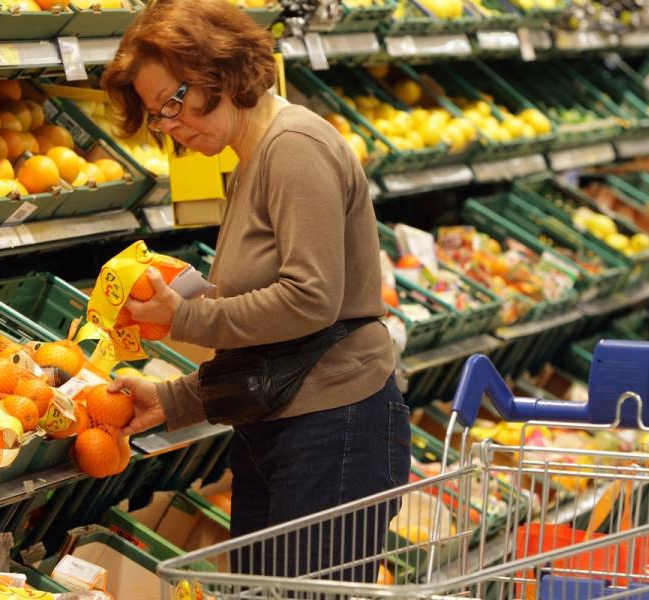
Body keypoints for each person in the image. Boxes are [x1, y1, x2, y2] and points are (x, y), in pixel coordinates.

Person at [100, 0, 411, 583]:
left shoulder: (293, 148)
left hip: (333, 433)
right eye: (156, 115)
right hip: (282, 425)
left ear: (218, 71)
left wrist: (183, 319)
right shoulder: (252, 157)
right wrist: (177, 399)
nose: (168, 126)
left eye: (171, 103)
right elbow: (274, 338)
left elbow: (310, 299)